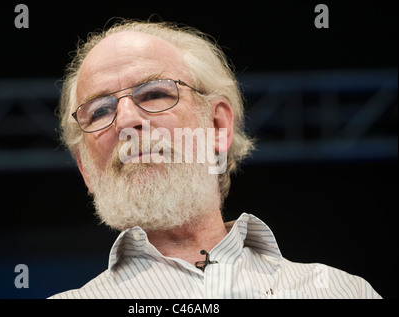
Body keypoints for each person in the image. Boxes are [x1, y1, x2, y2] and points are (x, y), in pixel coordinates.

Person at [49, 19, 381, 299]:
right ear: (85, 168)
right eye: (100, 110)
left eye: (153, 94)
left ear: (217, 125)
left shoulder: (341, 291)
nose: (125, 121)